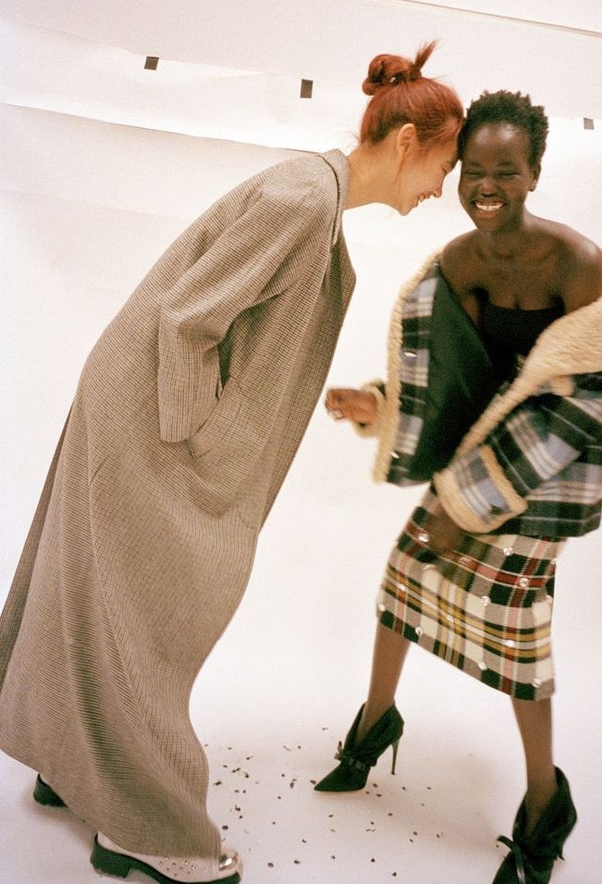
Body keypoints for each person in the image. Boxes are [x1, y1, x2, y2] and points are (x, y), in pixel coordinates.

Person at [0, 43, 463, 884]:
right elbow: (188, 319)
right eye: (444, 165)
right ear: (408, 143)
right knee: (149, 616)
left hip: (142, 404)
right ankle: (148, 826)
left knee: (105, 596)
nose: (442, 187)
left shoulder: (316, 200)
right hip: (151, 417)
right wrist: (199, 447)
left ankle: (76, 767)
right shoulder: (302, 199)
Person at [317, 90, 602, 884]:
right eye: (474, 170)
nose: (486, 186)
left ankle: (545, 802)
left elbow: (576, 407)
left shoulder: (577, 266)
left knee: (515, 624)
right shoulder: (460, 264)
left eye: (506, 171)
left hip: (551, 465)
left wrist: (467, 504)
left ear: (534, 174)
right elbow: (456, 385)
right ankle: (375, 721)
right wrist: (381, 404)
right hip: (483, 455)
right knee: (404, 577)